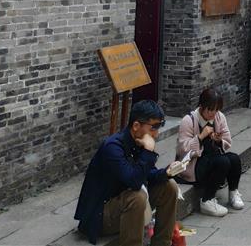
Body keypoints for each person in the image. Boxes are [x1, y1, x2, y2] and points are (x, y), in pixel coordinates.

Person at [74, 100, 180, 246]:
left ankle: (162, 243)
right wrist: (148, 152)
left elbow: (148, 174)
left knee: (170, 186)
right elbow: (134, 182)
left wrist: (167, 172)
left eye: (158, 127)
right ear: (136, 126)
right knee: (137, 197)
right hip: (100, 216)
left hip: (126, 208)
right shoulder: (112, 147)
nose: (156, 134)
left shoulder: (139, 142)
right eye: (153, 128)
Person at [175, 87, 244, 217]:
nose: (213, 113)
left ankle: (233, 192)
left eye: (217, 109)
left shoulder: (219, 117)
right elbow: (182, 150)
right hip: (193, 166)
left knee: (234, 158)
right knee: (222, 161)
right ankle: (207, 200)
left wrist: (218, 141)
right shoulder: (188, 120)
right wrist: (200, 137)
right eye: (210, 109)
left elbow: (227, 140)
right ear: (202, 106)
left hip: (212, 160)